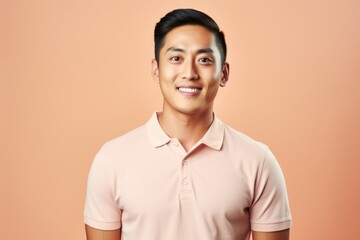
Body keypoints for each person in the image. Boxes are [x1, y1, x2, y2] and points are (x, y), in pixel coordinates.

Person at [84, 8, 292, 240]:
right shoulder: (112, 159)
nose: (189, 73)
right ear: (156, 69)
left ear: (223, 73)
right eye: (176, 58)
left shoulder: (258, 161)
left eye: (204, 60)